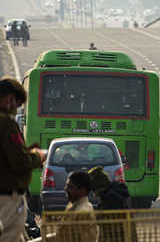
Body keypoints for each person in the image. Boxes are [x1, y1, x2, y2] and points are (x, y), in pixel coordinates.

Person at [0, 77, 46, 242]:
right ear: (9, 99)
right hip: (8, 196)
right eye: (17, 104)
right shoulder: (6, 124)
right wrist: (38, 156)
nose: (16, 109)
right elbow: (20, 162)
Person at [54, 171, 99, 242]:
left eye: (70, 187)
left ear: (82, 190)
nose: (66, 189)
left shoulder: (83, 212)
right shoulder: (74, 206)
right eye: (66, 186)